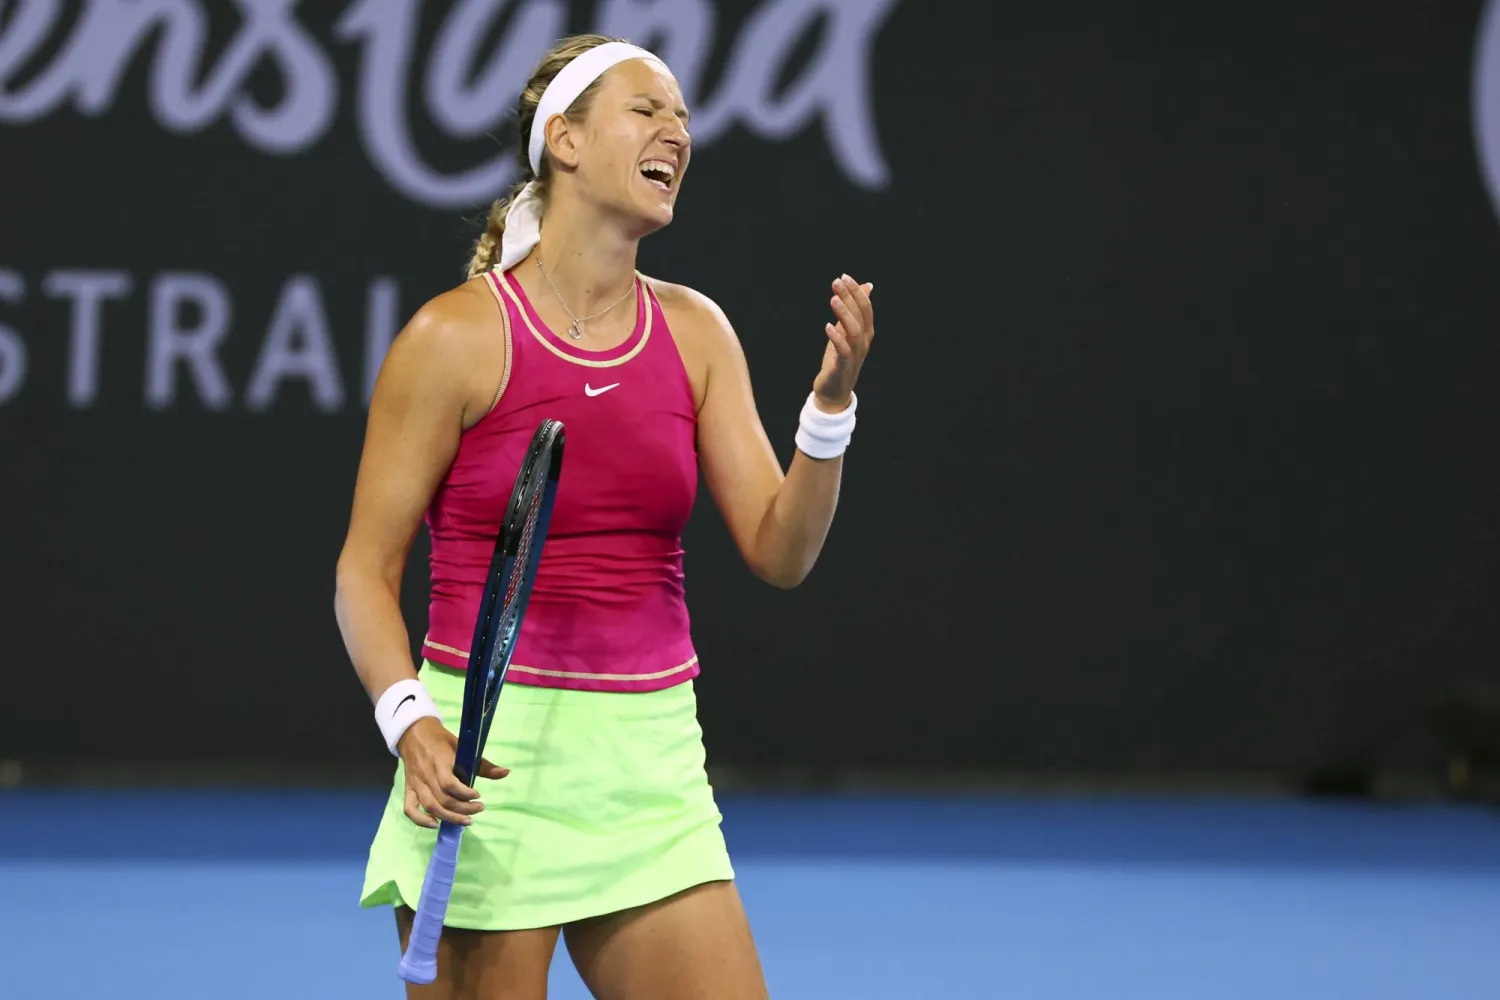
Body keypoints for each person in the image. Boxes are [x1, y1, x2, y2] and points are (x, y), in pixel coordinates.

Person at [334, 33, 875, 1000]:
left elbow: (780, 551)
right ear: (567, 142)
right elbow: (363, 574)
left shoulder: (696, 332)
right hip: (483, 765)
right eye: (648, 109)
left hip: (649, 763)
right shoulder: (453, 338)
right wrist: (409, 721)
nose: (679, 132)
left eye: (685, 118)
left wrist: (829, 411)